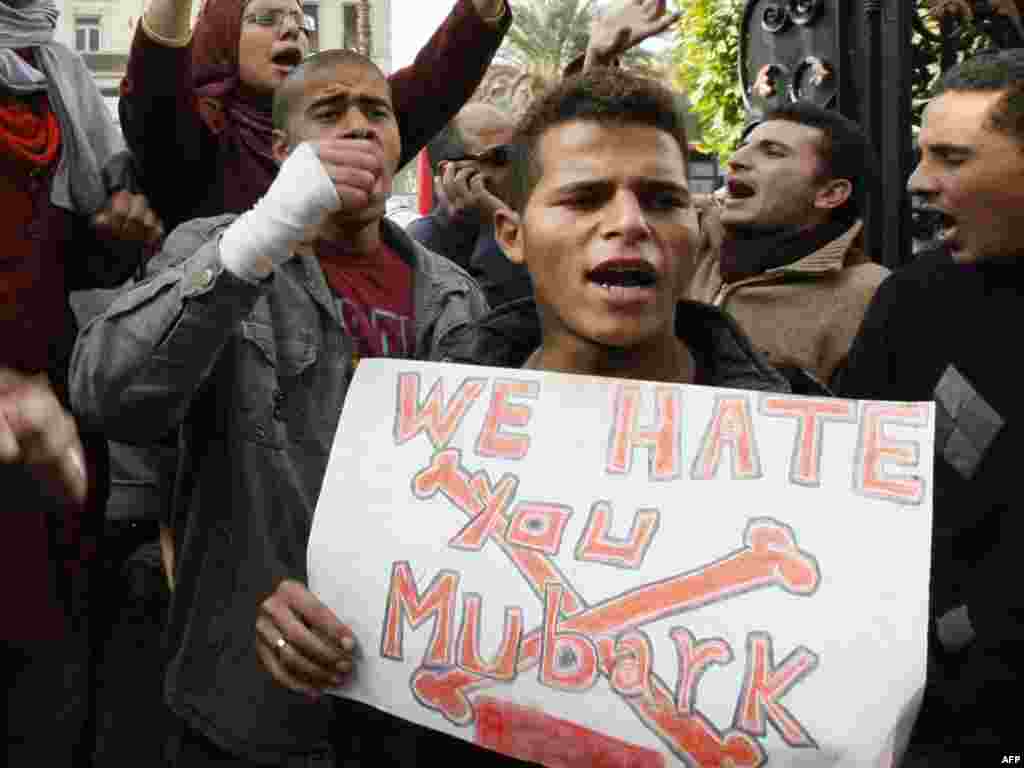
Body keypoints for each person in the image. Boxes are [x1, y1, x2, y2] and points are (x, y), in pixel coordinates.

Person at [70, 48, 488, 768]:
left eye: (377, 113)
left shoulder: (456, 293)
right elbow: (106, 393)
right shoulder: (215, 247)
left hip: (420, 702)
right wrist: (262, 237)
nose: (359, 127)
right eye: (330, 114)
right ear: (283, 149)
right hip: (249, 700)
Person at [838, 49, 1024, 761]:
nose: (918, 181)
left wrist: (970, 625)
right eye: (922, 154)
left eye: (952, 157)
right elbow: (856, 491)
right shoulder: (913, 298)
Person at [0, 2, 162, 764]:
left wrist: (119, 235)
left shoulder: (57, 74)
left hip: (49, 419)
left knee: (55, 655)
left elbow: (77, 256)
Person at [440, 68, 789, 397]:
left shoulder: (808, 427)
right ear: (513, 236)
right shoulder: (425, 421)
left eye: (664, 201)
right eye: (584, 200)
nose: (629, 222)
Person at [124, 0, 512, 232]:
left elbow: (434, 82)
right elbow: (154, 89)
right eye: (265, 18)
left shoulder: (346, 128)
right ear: (220, 36)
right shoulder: (199, 132)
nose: (291, 28)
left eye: (299, 19)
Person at [687, 102, 889, 392]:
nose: (736, 159)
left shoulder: (872, 296)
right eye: (743, 145)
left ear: (830, 193)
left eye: (772, 152)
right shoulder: (686, 242)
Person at [409, 102, 530, 306]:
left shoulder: (535, 225)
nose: (517, 168)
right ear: (451, 173)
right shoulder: (418, 251)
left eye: (520, 153)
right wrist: (495, 225)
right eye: (501, 156)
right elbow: (502, 324)